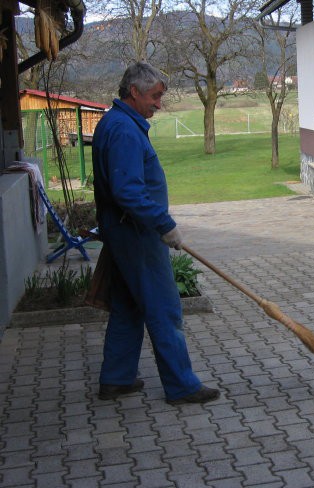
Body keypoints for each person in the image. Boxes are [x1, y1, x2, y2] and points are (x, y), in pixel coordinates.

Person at [92, 62, 219, 405]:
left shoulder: (118, 123)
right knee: (164, 309)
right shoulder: (122, 129)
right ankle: (182, 386)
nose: (158, 104)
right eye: (155, 96)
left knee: (128, 306)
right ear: (134, 91)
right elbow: (128, 191)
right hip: (135, 234)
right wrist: (164, 225)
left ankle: (116, 379)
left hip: (125, 231)